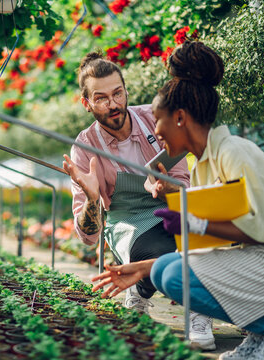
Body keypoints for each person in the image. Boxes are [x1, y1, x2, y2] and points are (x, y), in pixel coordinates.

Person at [91, 41, 264, 360]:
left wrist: (196, 221)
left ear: (179, 117)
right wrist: (141, 268)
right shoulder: (204, 165)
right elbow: (208, 250)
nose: (157, 133)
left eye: (158, 120)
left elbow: (263, 229)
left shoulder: (235, 152)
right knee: (165, 269)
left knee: (175, 275)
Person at [62, 51, 216, 350]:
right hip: (127, 220)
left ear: (126, 90)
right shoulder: (85, 147)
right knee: (161, 250)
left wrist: (164, 188)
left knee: (204, 238)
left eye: (118, 93)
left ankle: (196, 309)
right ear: (87, 103)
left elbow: (183, 186)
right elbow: (88, 237)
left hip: (169, 207)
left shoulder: (155, 120)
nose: (114, 104)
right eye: (102, 98)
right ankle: (145, 287)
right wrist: (93, 199)